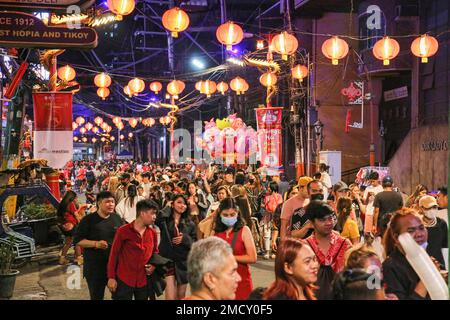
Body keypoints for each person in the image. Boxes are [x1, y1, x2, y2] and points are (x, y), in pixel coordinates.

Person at [382, 208, 443, 300]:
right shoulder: (390, 267)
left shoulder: (425, 258)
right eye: (411, 231)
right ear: (396, 237)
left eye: (422, 228)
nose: (419, 234)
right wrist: (427, 278)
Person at [74, 191, 123, 300]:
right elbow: (78, 240)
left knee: (119, 295)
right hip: (95, 268)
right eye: (107, 202)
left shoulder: (117, 218)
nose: (111, 204)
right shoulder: (88, 220)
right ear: (99, 203)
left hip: (115, 266)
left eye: (112, 202)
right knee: (97, 296)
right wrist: (95, 244)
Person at [107, 200, 159, 300]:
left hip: (143, 281)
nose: (155, 216)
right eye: (152, 213)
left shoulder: (153, 233)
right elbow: (114, 255)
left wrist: (153, 265)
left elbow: (155, 253)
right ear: (142, 213)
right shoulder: (123, 231)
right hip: (124, 280)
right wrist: (111, 277)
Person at [305, 200, 352, 300]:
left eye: (330, 218)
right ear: (312, 223)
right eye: (322, 220)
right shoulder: (304, 246)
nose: (328, 223)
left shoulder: (345, 245)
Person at [214, 198, 257, 300]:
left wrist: (230, 257)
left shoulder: (244, 230)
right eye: (225, 215)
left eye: (232, 215)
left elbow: (252, 257)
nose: (229, 218)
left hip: (242, 282)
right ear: (219, 214)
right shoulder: (216, 231)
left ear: (237, 213)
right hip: (221, 283)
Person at [156, 194, 196, 300]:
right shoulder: (165, 220)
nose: (182, 205)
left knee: (181, 296)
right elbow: (157, 218)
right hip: (168, 261)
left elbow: (195, 243)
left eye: (184, 203)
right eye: (179, 202)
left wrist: (185, 239)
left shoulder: (190, 224)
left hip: (183, 263)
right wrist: (167, 207)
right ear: (172, 204)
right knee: (170, 297)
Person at [56, 190, 86, 265]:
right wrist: (80, 224)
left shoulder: (62, 204)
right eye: (75, 198)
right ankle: (79, 259)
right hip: (72, 225)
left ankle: (62, 259)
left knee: (68, 243)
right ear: (72, 198)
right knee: (78, 241)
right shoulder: (71, 204)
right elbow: (76, 215)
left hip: (64, 226)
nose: (76, 199)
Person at [418, 195, 448, 268]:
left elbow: (445, 246)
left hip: (439, 263)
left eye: (434, 207)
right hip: (422, 264)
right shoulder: (417, 225)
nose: (432, 210)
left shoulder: (441, 223)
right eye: (428, 208)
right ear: (421, 208)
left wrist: (446, 265)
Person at [280, 176, 313, 241]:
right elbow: (283, 226)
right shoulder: (289, 203)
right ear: (301, 188)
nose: (310, 191)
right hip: (293, 242)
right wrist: (283, 244)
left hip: (309, 242)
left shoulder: (311, 201)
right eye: (308, 189)